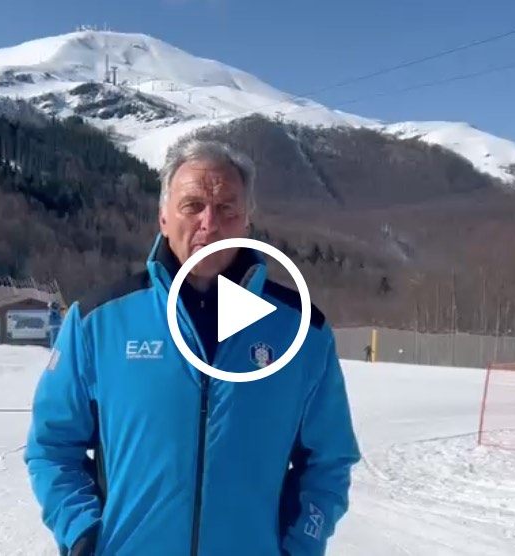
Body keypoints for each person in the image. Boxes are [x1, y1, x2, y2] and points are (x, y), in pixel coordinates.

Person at [24, 136, 361, 556]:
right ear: (164, 217)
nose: (209, 223)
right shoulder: (98, 321)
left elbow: (329, 460)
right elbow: (53, 446)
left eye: (227, 209)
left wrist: (301, 543)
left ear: (246, 222)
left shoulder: (302, 331)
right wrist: (81, 533)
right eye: (192, 206)